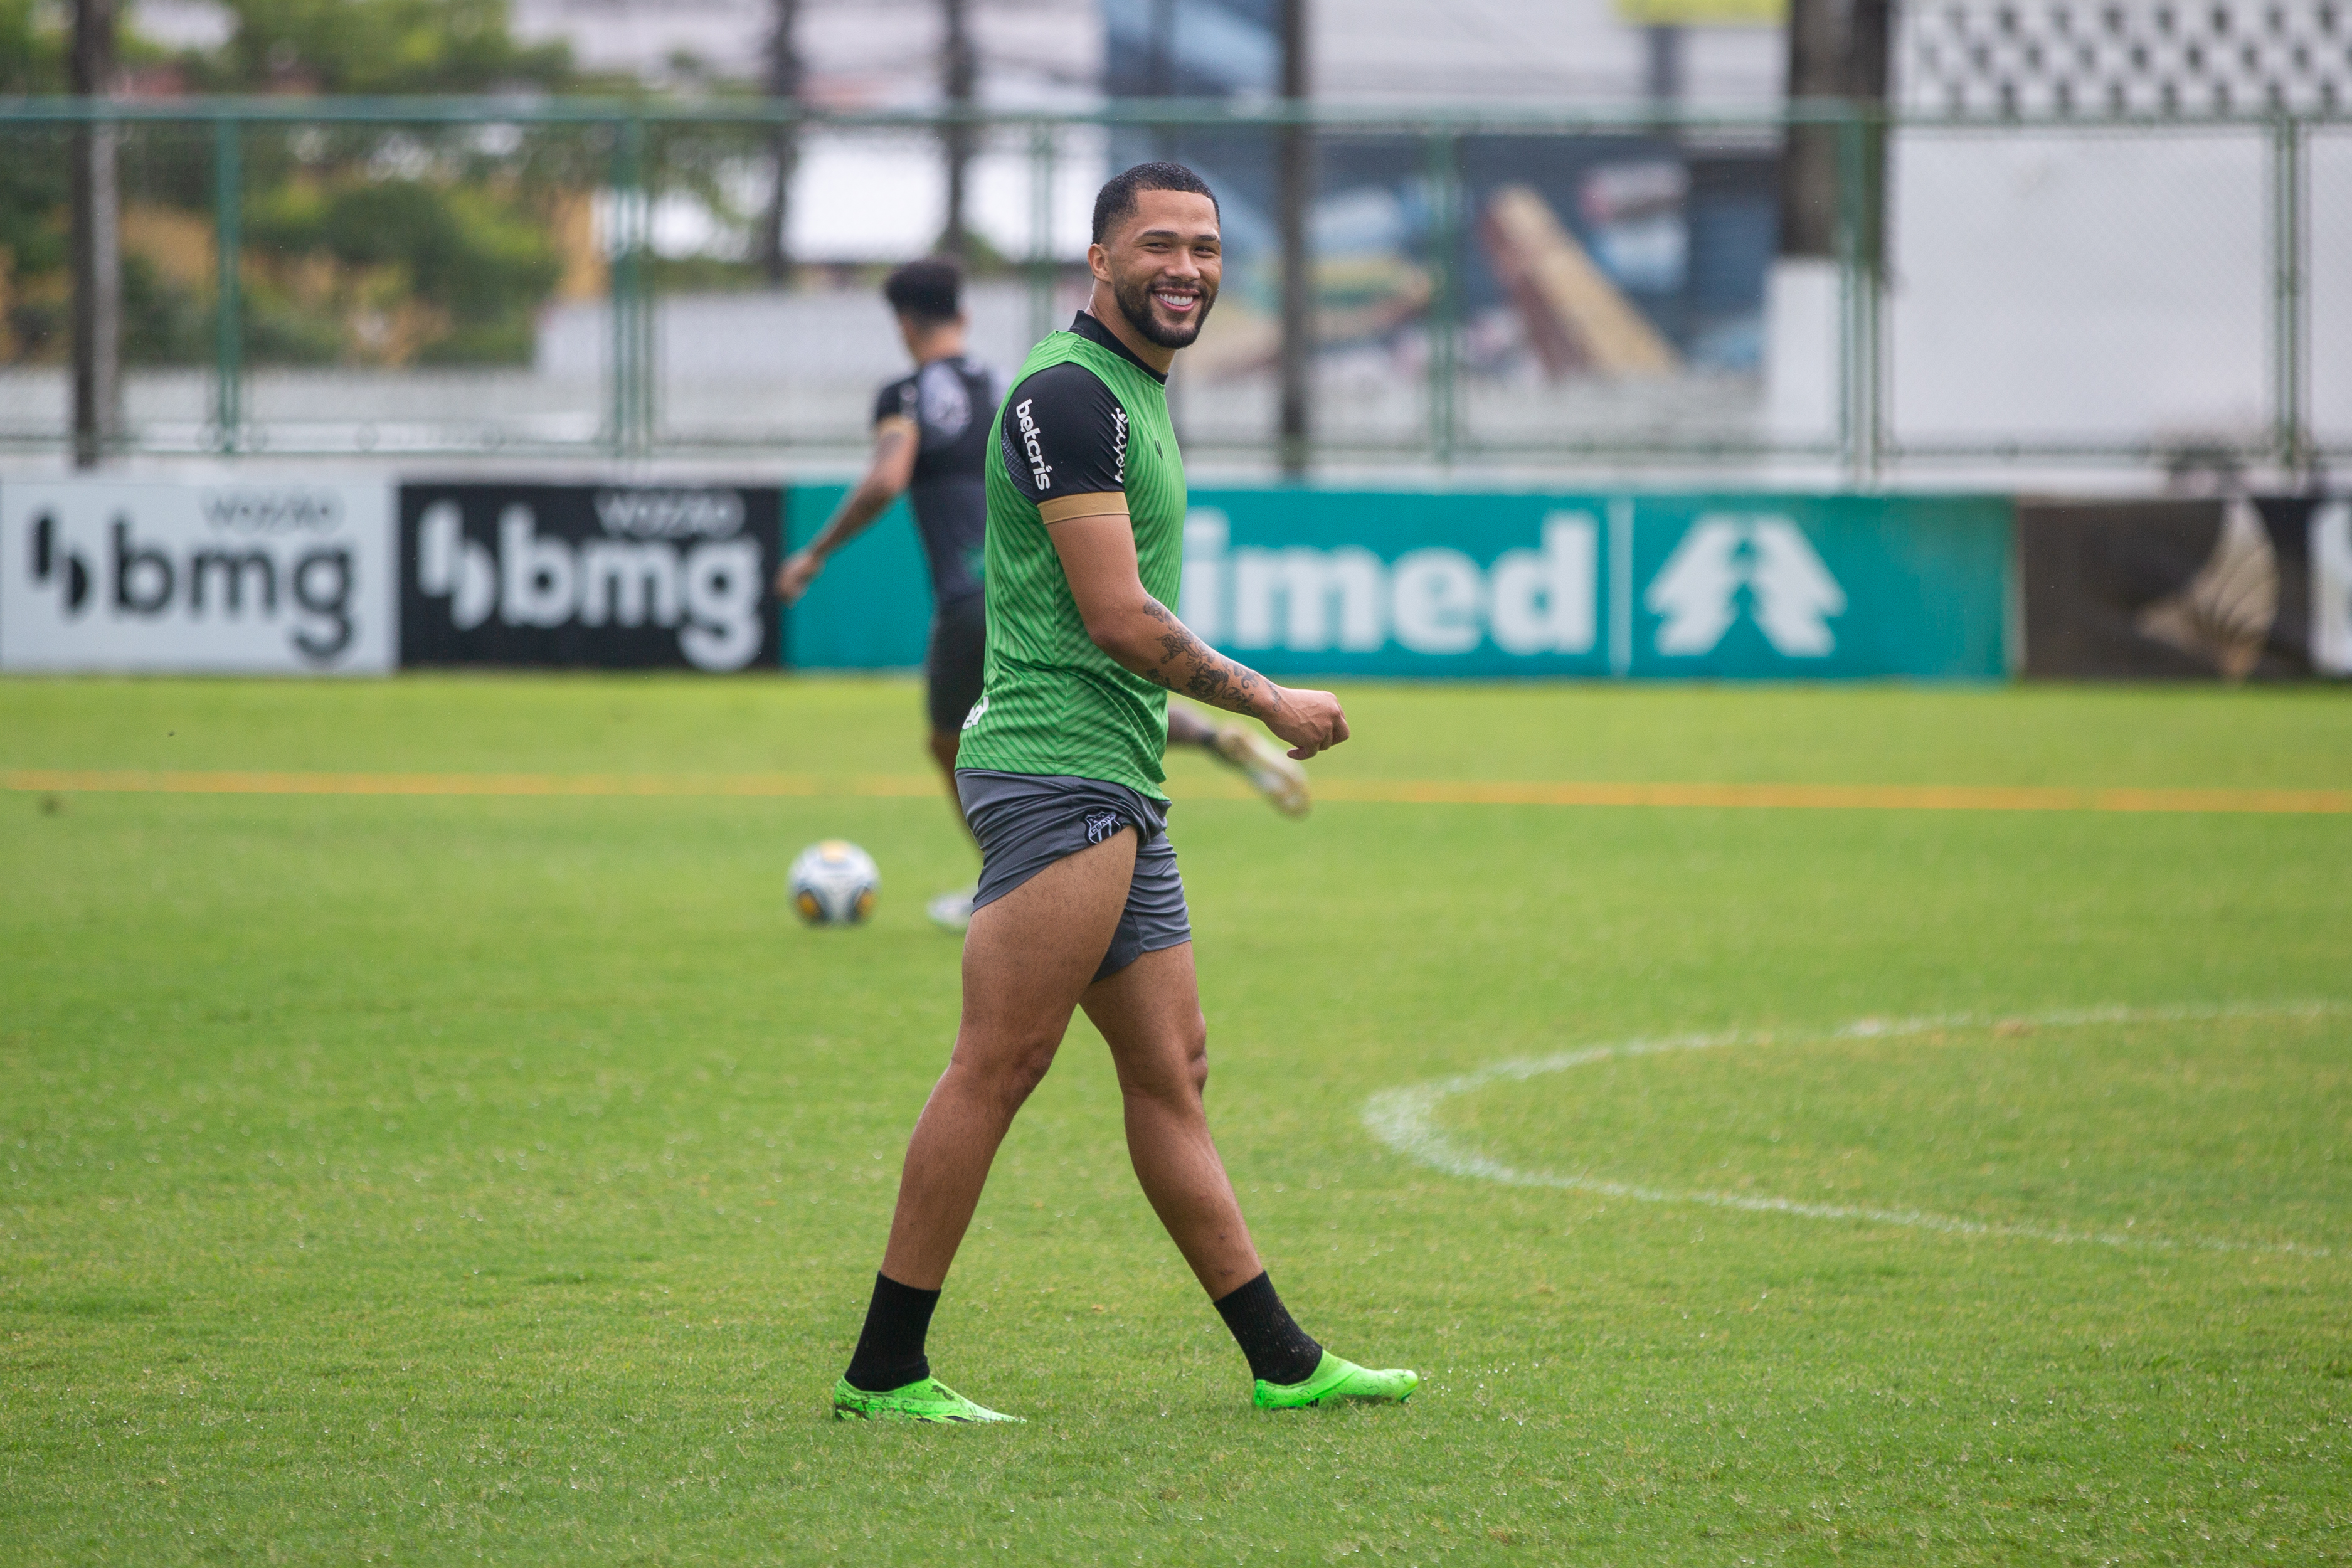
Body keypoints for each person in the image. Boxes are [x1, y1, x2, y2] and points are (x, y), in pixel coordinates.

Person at [830, 162, 1415, 1423]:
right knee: (1001, 1059)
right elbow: (1116, 615)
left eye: (1207, 246)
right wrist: (1270, 703)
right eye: (1159, 244)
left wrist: (1199, 736)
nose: (1188, 267)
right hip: (1056, 768)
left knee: (1174, 1068)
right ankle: (883, 1367)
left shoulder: (1132, 394)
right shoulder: (1067, 395)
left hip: (1115, 768)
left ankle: (1284, 1359)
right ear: (1100, 259)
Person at [776, 260, 1316, 935]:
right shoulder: (1016, 383)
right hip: (1043, 585)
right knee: (1096, 695)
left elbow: (887, 480)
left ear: (904, 324)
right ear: (962, 316)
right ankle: (1208, 736)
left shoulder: (909, 395)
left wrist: (815, 554)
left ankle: (1003, 882)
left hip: (971, 594)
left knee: (955, 742)